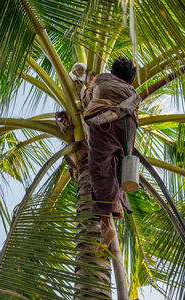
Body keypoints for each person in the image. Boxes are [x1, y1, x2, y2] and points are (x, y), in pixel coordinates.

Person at [81, 56, 139, 244]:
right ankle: (117, 206)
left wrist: (87, 85)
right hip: (129, 123)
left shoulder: (102, 78)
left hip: (105, 120)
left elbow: (86, 101)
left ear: (112, 72)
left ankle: (107, 225)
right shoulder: (131, 89)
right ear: (131, 80)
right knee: (121, 165)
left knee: (100, 168)